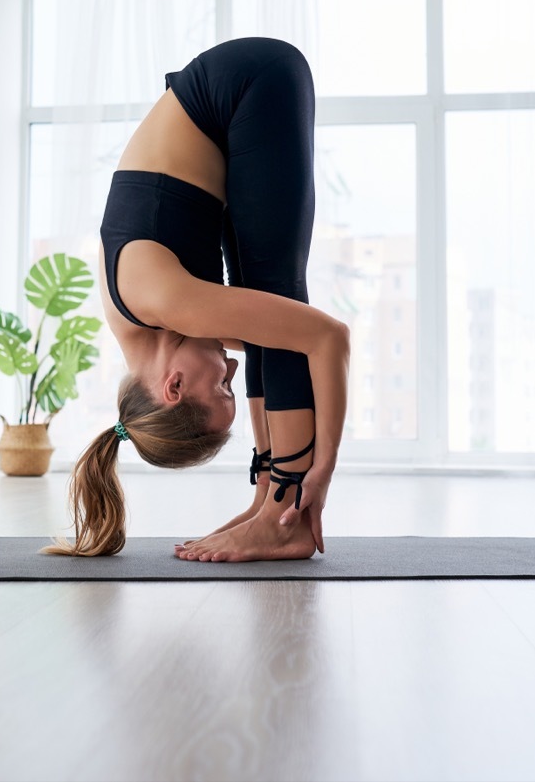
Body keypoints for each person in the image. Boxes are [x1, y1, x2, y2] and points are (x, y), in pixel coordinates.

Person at [44, 37, 350, 562]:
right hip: (231, 106)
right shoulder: (153, 323)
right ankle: (271, 507)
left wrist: (320, 470)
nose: (230, 366)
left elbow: (326, 338)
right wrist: (265, 491)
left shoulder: (165, 300)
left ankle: (285, 520)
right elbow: (270, 341)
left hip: (248, 83)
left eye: (222, 387)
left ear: (174, 385)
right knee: (271, 323)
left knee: (279, 303)